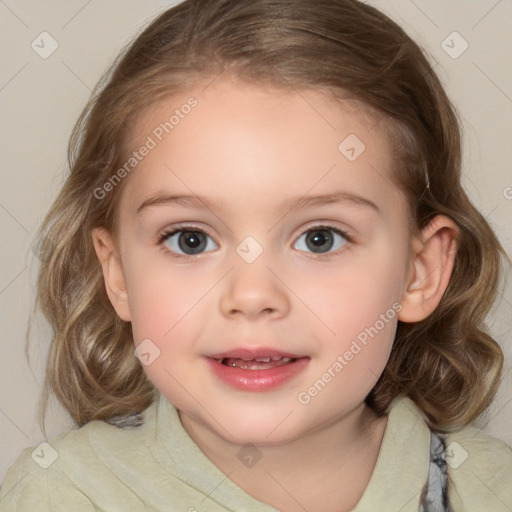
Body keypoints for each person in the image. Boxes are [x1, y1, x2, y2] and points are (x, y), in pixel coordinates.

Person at [1, 0, 511, 510]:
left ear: (418, 273)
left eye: (320, 239)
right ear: (118, 274)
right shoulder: (62, 494)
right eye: (190, 239)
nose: (251, 296)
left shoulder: (492, 489)